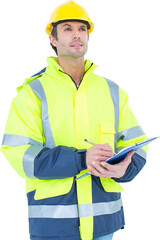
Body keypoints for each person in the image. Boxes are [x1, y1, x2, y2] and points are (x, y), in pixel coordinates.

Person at [1, 1, 148, 240]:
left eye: (82, 29)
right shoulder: (33, 93)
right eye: (67, 29)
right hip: (55, 225)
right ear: (53, 39)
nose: (77, 35)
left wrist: (124, 169)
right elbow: (19, 154)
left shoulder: (112, 91)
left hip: (104, 223)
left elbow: (138, 143)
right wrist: (81, 159)